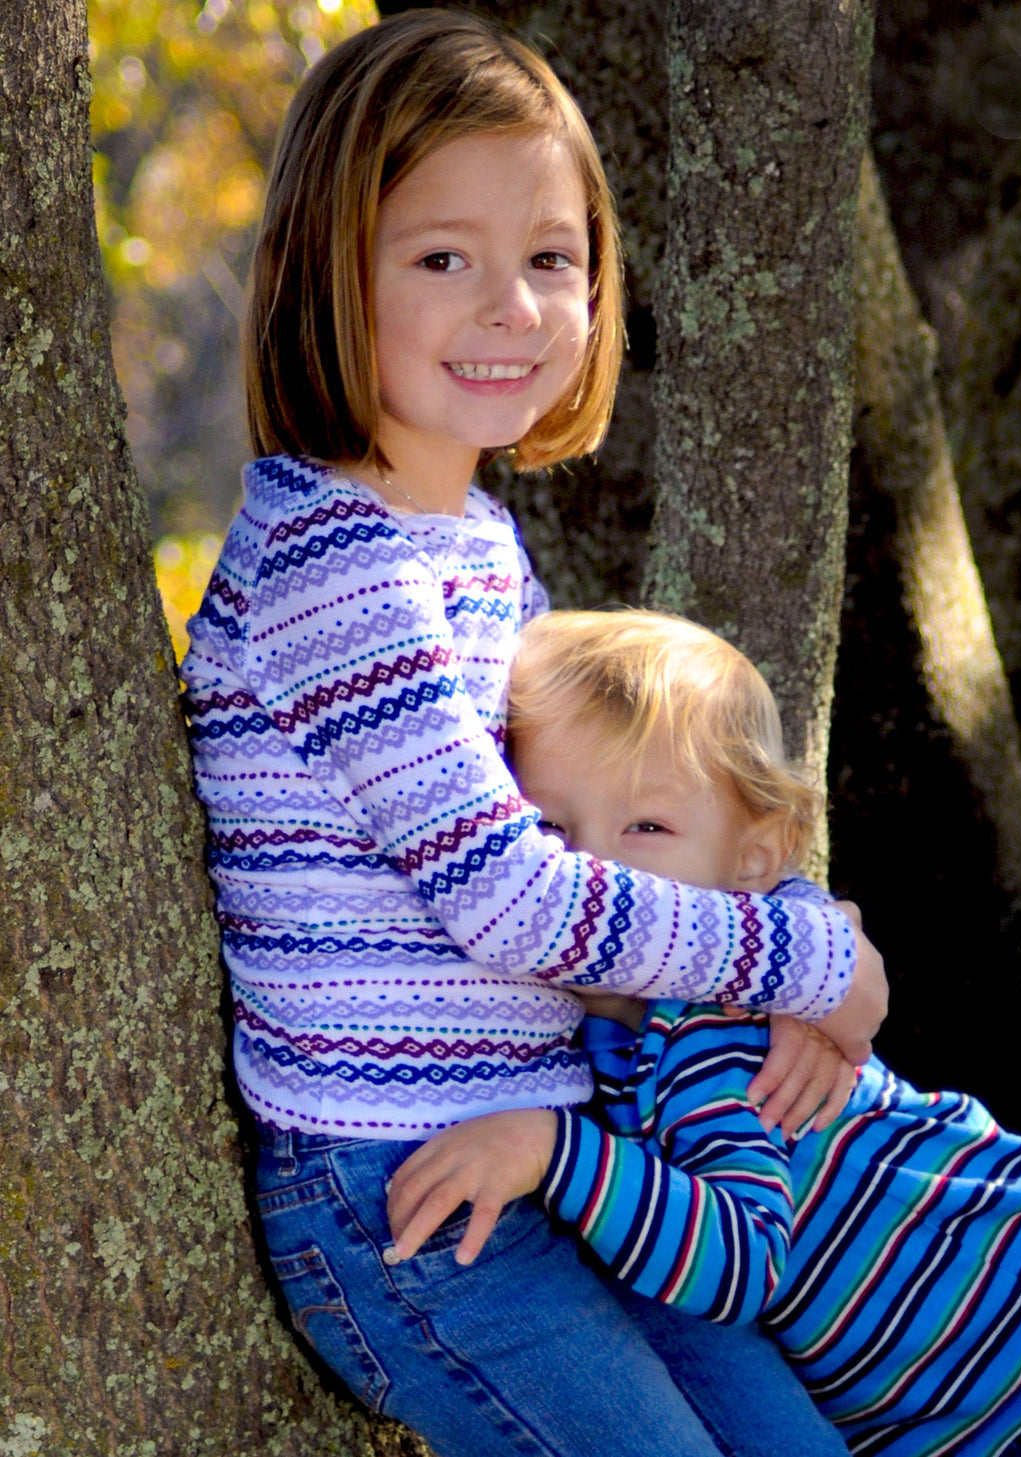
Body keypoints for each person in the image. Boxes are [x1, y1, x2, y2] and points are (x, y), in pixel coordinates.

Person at [181, 13, 885, 1455]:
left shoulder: (477, 546)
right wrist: (819, 958)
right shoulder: (338, 570)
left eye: (550, 260)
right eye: (443, 259)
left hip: (569, 1145)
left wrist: (789, 920)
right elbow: (511, 896)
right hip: (405, 1189)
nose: (510, 306)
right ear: (330, 268)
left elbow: (611, 806)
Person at [387, 608, 1021, 1457]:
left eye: (647, 827)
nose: (594, 869)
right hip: (977, 1408)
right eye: (549, 831)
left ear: (755, 852)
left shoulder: (716, 1030)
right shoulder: (608, 1037)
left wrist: (552, 1152)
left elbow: (738, 1260)